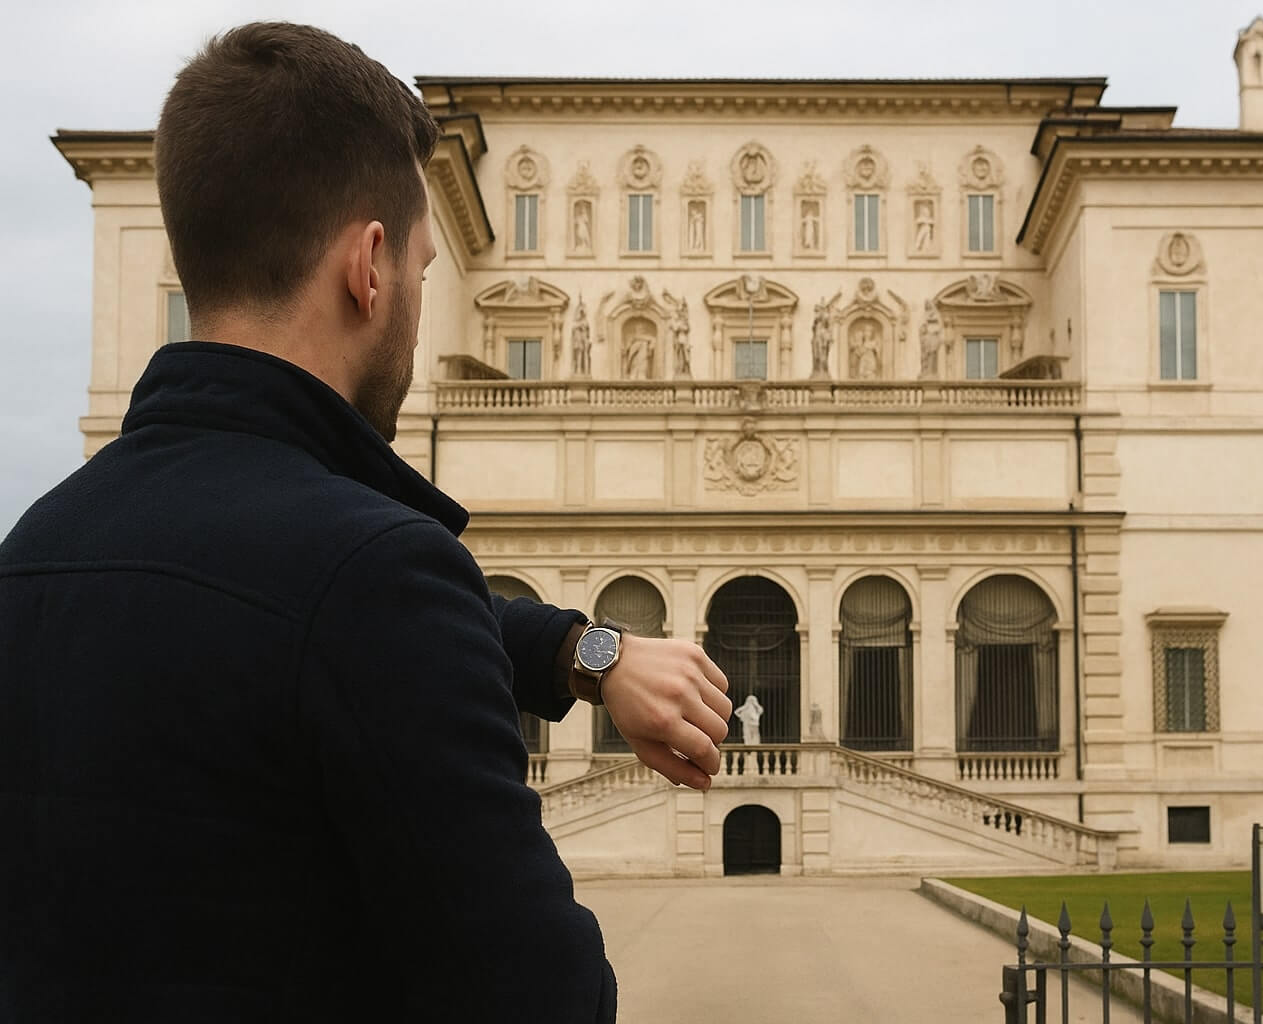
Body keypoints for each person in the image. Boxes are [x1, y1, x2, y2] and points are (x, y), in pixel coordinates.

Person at [0, 22, 731, 1023]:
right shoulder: (375, 574)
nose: (421, 302)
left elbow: (290, 616)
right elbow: (541, 995)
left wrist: (586, 652)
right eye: (428, 270)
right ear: (370, 266)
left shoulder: (32, 554)